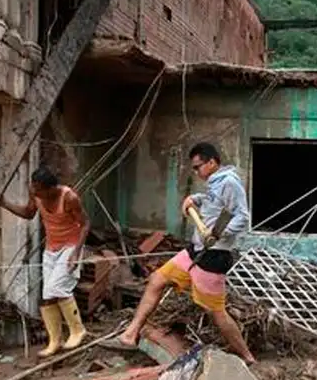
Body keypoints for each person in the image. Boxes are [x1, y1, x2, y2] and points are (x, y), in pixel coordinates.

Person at [105, 142, 256, 364]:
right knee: (157, 279)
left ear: (212, 162)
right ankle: (130, 334)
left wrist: (219, 235)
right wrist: (196, 199)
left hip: (213, 256)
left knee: (217, 313)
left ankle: (247, 356)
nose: (195, 172)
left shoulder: (230, 183)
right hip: (195, 250)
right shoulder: (215, 182)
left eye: (198, 167)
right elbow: (214, 204)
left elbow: (242, 217)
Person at [0, 165, 90, 357]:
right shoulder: (37, 195)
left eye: (39, 189)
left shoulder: (69, 197)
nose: (35, 192)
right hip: (51, 249)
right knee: (47, 296)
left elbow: (85, 224)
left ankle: (77, 331)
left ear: (50, 188)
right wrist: (5, 203)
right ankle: (55, 340)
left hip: (69, 247)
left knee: (57, 289)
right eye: (34, 188)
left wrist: (76, 253)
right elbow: (28, 213)